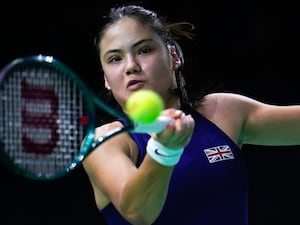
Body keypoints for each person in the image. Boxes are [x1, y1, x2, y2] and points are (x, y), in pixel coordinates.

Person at [82, 3, 300, 225]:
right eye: (115, 59)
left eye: (144, 50)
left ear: (174, 56)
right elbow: (138, 212)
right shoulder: (105, 142)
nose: (130, 66)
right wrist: (164, 150)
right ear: (106, 79)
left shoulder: (222, 113)